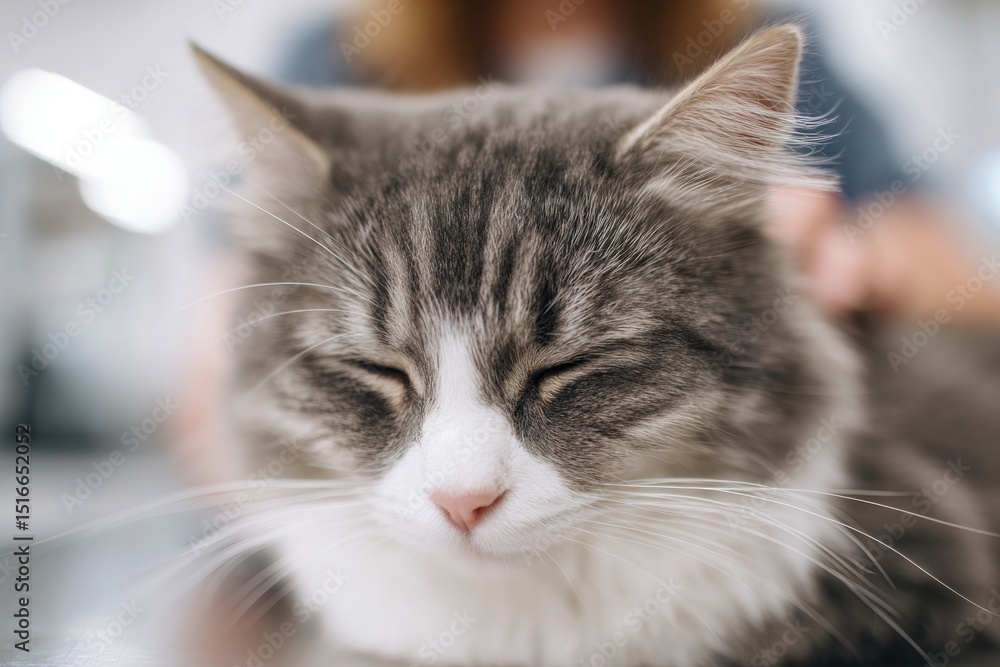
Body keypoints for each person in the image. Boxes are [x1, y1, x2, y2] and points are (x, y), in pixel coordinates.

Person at [274, 0, 1000, 326]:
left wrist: (848, 258)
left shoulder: (762, 43)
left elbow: (965, 280)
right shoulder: (336, 64)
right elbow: (229, 355)